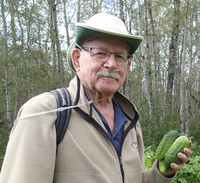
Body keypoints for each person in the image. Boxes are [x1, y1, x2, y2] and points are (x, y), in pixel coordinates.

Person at [0, 13, 191, 183]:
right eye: (100, 53)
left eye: (120, 57)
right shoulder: (44, 112)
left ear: (128, 66)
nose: (111, 64)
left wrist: (161, 173)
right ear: (77, 59)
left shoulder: (129, 119)